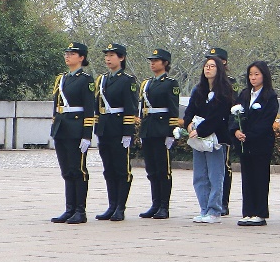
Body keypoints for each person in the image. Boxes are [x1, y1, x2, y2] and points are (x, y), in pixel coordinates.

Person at [182, 54, 234, 224]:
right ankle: (204, 208)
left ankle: (214, 210)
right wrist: (189, 125)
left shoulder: (224, 90)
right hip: (198, 138)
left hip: (215, 138)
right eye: (206, 66)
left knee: (215, 175)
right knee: (200, 175)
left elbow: (218, 116)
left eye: (212, 66)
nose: (208, 69)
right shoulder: (199, 90)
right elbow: (190, 111)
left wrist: (201, 130)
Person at [49, 42, 96, 224]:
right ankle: (69, 209)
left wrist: (87, 135)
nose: (67, 56)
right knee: (67, 171)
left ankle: (80, 211)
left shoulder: (86, 80)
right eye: (66, 53)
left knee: (78, 170)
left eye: (72, 53)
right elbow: (56, 105)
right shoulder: (62, 79)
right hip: (62, 128)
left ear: (81, 57)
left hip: (76, 129)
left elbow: (89, 109)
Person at [94, 43, 139, 222]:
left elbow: (130, 107)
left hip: (119, 129)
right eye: (106, 55)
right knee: (109, 169)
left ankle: (120, 207)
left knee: (121, 169)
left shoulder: (127, 80)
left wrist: (128, 132)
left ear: (121, 58)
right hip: (105, 128)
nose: (108, 58)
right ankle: (111, 206)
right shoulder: (102, 79)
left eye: (112, 55)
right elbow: (97, 106)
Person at [232, 61, 278, 226]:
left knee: (260, 177)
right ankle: (248, 212)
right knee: (247, 178)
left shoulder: (270, 96)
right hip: (244, 143)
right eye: (251, 74)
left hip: (260, 143)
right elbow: (234, 114)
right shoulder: (245, 94)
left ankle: (260, 213)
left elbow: (266, 121)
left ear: (264, 75)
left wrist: (250, 135)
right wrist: (236, 131)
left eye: (257, 74)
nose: (253, 77)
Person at [137, 49, 179, 220]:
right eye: (151, 61)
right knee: (152, 169)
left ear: (165, 63)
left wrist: (171, 133)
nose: (152, 63)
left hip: (162, 129)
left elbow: (173, 110)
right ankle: (155, 204)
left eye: (156, 60)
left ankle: (164, 206)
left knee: (163, 169)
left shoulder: (170, 83)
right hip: (149, 128)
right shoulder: (147, 83)